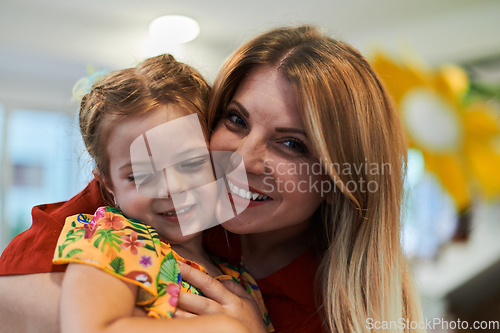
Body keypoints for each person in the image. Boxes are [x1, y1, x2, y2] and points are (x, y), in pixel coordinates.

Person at [0, 26, 423, 333]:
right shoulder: (127, 211)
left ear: (334, 182)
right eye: (236, 119)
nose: (241, 158)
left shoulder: (334, 305)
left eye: (292, 145)